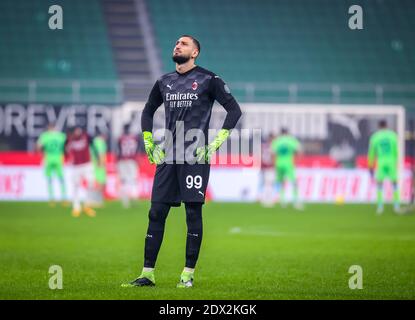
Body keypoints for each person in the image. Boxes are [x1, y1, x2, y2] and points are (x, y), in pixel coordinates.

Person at [122, 35, 242, 288]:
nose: (177, 46)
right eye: (176, 43)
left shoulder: (209, 79)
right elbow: (147, 110)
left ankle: (187, 275)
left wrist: (215, 143)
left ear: (195, 52)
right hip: (168, 156)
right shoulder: (164, 81)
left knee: (192, 212)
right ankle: (147, 274)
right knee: (156, 212)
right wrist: (147, 141)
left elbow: (234, 110)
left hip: (194, 156)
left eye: (184, 44)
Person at [65, 126, 100, 217]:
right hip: (76, 166)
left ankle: (87, 205)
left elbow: (94, 146)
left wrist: (98, 158)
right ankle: (76, 207)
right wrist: (66, 158)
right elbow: (64, 149)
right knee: (75, 186)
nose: (77, 132)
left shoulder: (86, 136)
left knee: (91, 183)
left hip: (87, 164)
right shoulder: (69, 139)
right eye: (76, 131)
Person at [368, 120, 400, 214]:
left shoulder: (375, 137)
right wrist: (396, 162)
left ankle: (380, 207)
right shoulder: (393, 135)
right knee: (395, 184)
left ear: (379, 126)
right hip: (391, 161)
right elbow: (395, 150)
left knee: (379, 184)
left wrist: (370, 165)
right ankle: (396, 206)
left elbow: (372, 152)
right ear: (387, 125)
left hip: (381, 162)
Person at [271, 127, 303, 209]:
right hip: (289, 163)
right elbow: (299, 150)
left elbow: (273, 153)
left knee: (281, 182)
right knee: (294, 182)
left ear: (280, 132)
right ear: (287, 132)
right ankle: (296, 201)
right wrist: (297, 161)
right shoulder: (291, 140)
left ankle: (282, 201)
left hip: (279, 163)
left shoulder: (277, 141)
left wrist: (274, 163)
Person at [36, 122, 67, 206]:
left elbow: (38, 146)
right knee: (61, 179)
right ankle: (64, 198)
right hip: (58, 159)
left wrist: (41, 154)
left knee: (49, 179)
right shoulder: (61, 136)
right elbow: (67, 146)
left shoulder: (45, 136)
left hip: (48, 159)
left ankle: (51, 199)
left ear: (49, 127)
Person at [117, 124, 139, 208]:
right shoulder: (134, 138)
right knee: (133, 179)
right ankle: (134, 197)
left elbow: (119, 150)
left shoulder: (120, 138)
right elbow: (137, 148)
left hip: (123, 160)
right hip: (132, 160)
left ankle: (125, 201)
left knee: (124, 181)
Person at [90, 133, 107, 207]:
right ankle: (95, 200)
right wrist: (101, 163)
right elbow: (100, 153)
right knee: (101, 183)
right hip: (99, 165)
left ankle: (96, 200)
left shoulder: (94, 141)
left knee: (98, 183)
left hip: (94, 164)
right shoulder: (100, 142)